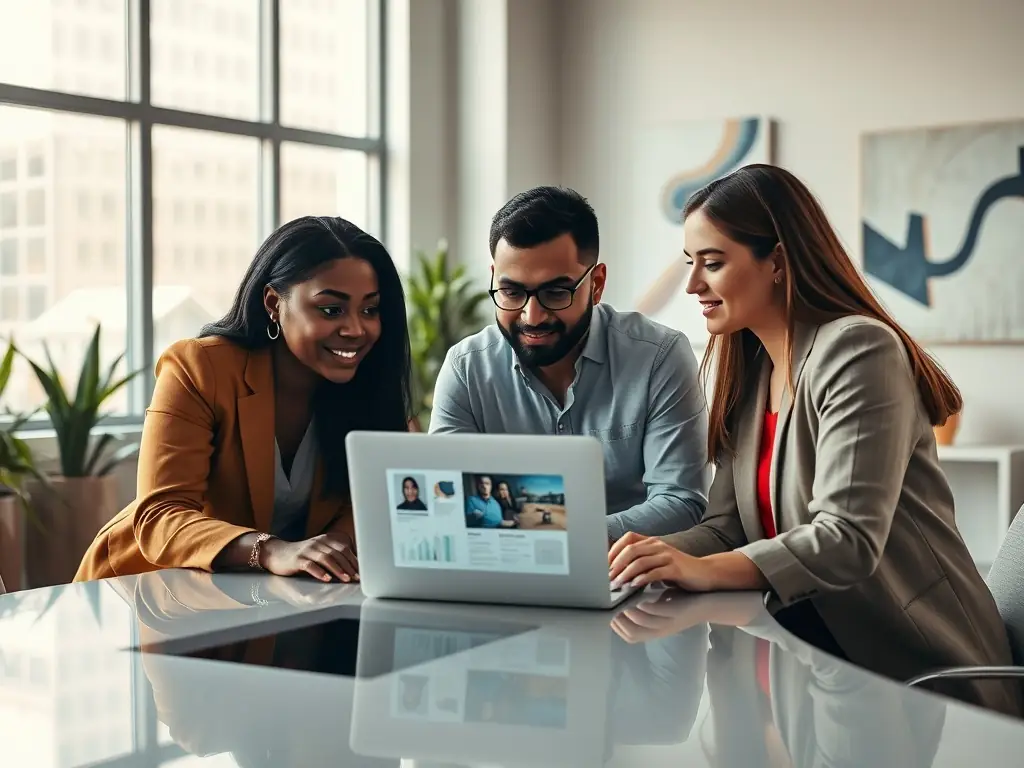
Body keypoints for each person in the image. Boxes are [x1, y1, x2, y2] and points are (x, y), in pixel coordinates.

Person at [607, 164, 1022, 718]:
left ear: (777, 261)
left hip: (918, 672)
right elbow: (727, 527)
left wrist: (700, 569)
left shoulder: (858, 350)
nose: (693, 285)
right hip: (819, 660)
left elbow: (847, 539)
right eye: (691, 263)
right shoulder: (752, 371)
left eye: (713, 262)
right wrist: (639, 561)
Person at [74, 216, 412, 584]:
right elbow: (161, 515)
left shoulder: (367, 387)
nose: (356, 329)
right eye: (332, 309)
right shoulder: (198, 367)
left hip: (269, 597)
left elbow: (365, 501)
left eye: (369, 310)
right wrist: (270, 550)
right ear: (273, 303)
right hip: (144, 587)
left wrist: (335, 547)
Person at [429, 186, 709, 541]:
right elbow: (448, 500)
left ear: (597, 284)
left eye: (556, 293)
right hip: (504, 566)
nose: (532, 316)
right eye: (512, 292)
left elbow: (681, 502)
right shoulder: (466, 369)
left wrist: (562, 536)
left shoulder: (658, 357)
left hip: (629, 571)